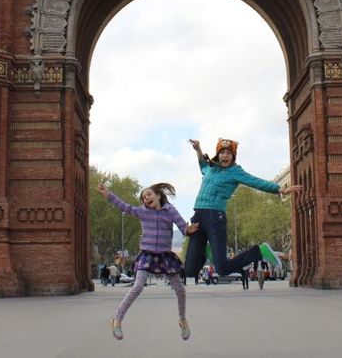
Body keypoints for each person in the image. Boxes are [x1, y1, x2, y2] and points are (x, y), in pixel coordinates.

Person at [183, 138, 301, 282]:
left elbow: (256, 181)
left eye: (228, 153)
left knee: (222, 269)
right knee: (189, 270)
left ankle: (259, 251)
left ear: (233, 156)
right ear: (217, 154)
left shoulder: (235, 171)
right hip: (198, 218)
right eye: (222, 153)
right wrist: (198, 150)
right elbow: (203, 165)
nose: (225, 156)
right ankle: (210, 251)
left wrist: (280, 189)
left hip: (214, 217)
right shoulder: (211, 168)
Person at [97, 181, 197, 341]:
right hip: (147, 255)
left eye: (149, 194)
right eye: (143, 197)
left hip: (165, 256)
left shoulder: (170, 210)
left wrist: (188, 230)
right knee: (137, 286)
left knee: (180, 289)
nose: (146, 198)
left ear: (158, 195)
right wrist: (109, 195)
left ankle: (183, 320)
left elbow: (182, 226)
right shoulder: (142, 212)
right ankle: (117, 320)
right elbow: (125, 207)